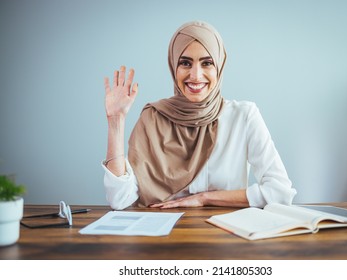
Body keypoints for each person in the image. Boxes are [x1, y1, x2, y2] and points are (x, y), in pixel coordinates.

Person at [102, 21, 296, 209]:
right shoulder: (153, 118)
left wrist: (205, 198)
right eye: (185, 63)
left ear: (219, 67)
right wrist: (116, 121)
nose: (195, 75)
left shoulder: (244, 116)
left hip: (227, 234)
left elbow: (279, 192)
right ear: (173, 66)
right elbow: (120, 199)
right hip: (164, 235)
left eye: (207, 63)